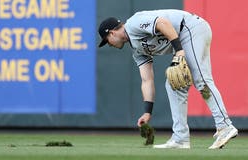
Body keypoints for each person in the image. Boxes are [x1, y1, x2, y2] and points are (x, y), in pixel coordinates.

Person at [97, 9, 238, 149]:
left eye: (107, 40)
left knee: (200, 79)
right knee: (173, 85)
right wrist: (147, 112)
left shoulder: (133, 24)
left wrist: (179, 50)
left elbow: (162, 22)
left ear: (112, 33)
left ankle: (224, 126)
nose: (109, 44)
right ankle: (180, 138)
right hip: (185, 36)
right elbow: (147, 80)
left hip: (190, 28)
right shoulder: (137, 50)